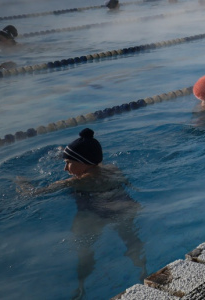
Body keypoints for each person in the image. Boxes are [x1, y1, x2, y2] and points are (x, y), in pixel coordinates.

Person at [15, 128, 147, 299]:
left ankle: (81, 286)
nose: (65, 168)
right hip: (123, 207)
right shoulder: (113, 169)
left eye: (68, 162)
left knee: (84, 250)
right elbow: (129, 185)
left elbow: (35, 194)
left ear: (83, 162)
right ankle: (143, 269)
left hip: (94, 212)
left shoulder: (78, 182)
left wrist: (21, 183)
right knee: (132, 241)